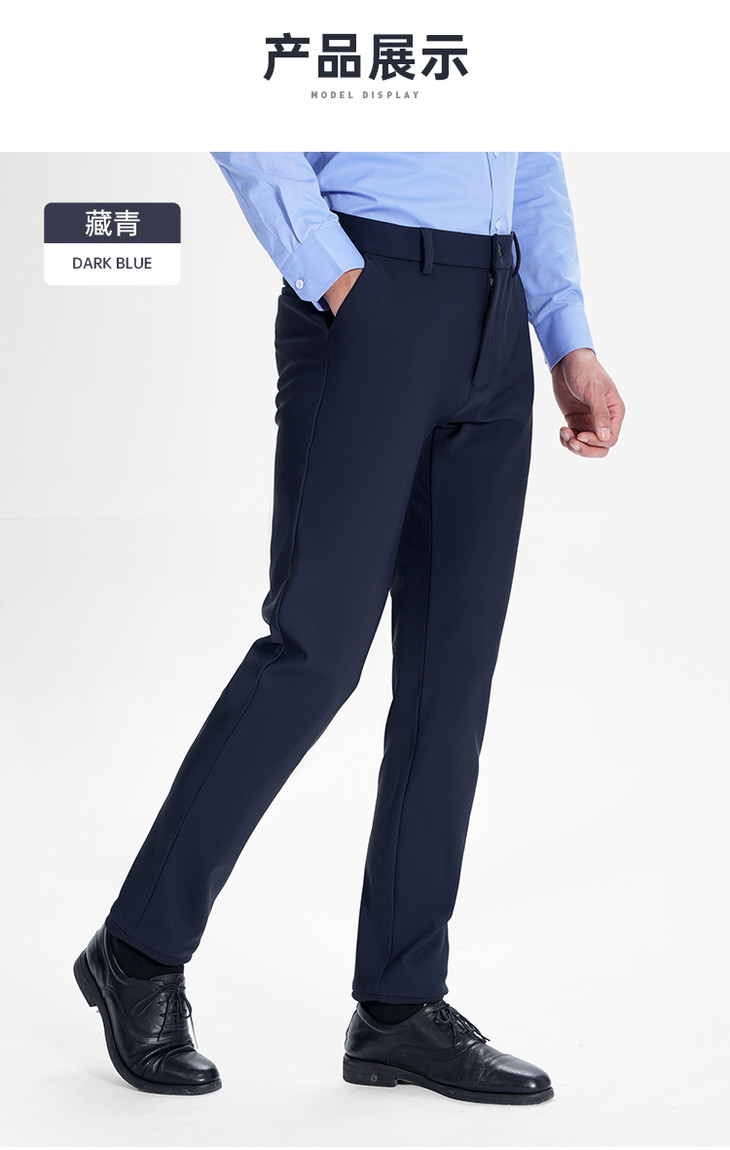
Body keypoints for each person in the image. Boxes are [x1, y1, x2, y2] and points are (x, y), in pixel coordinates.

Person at [74, 152, 625, 1103]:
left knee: (452, 678)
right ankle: (138, 950)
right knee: (315, 652)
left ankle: (400, 1008)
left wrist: (564, 331)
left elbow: (532, 152)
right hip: (371, 291)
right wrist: (333, 273)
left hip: (496, 315)